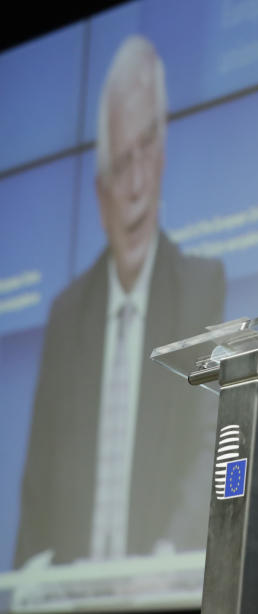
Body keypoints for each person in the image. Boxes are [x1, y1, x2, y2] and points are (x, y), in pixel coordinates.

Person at [15, 35, 225, 568]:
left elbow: (211, 444)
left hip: (163, 586)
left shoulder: (200, 286)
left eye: (144, 151)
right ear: (97, 189)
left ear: (163, 154)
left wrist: (166, 558)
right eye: (117, 164)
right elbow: (37, 487)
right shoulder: (66, 313)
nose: (133, 185)